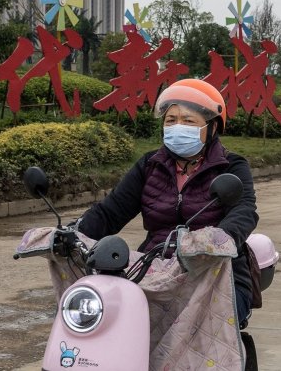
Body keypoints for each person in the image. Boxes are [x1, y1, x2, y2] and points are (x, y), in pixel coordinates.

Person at [77, 78, 259, 324]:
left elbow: (244, 211)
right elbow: (111, 212)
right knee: (108, 316)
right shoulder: (150, 165)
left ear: (213, 128)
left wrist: (216, 240)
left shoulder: (231, 166)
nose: (177, 126)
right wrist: (73, 233)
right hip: (154, 269)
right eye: (171, 120)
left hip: (216, 273)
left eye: (188, 121)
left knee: (205, 329)